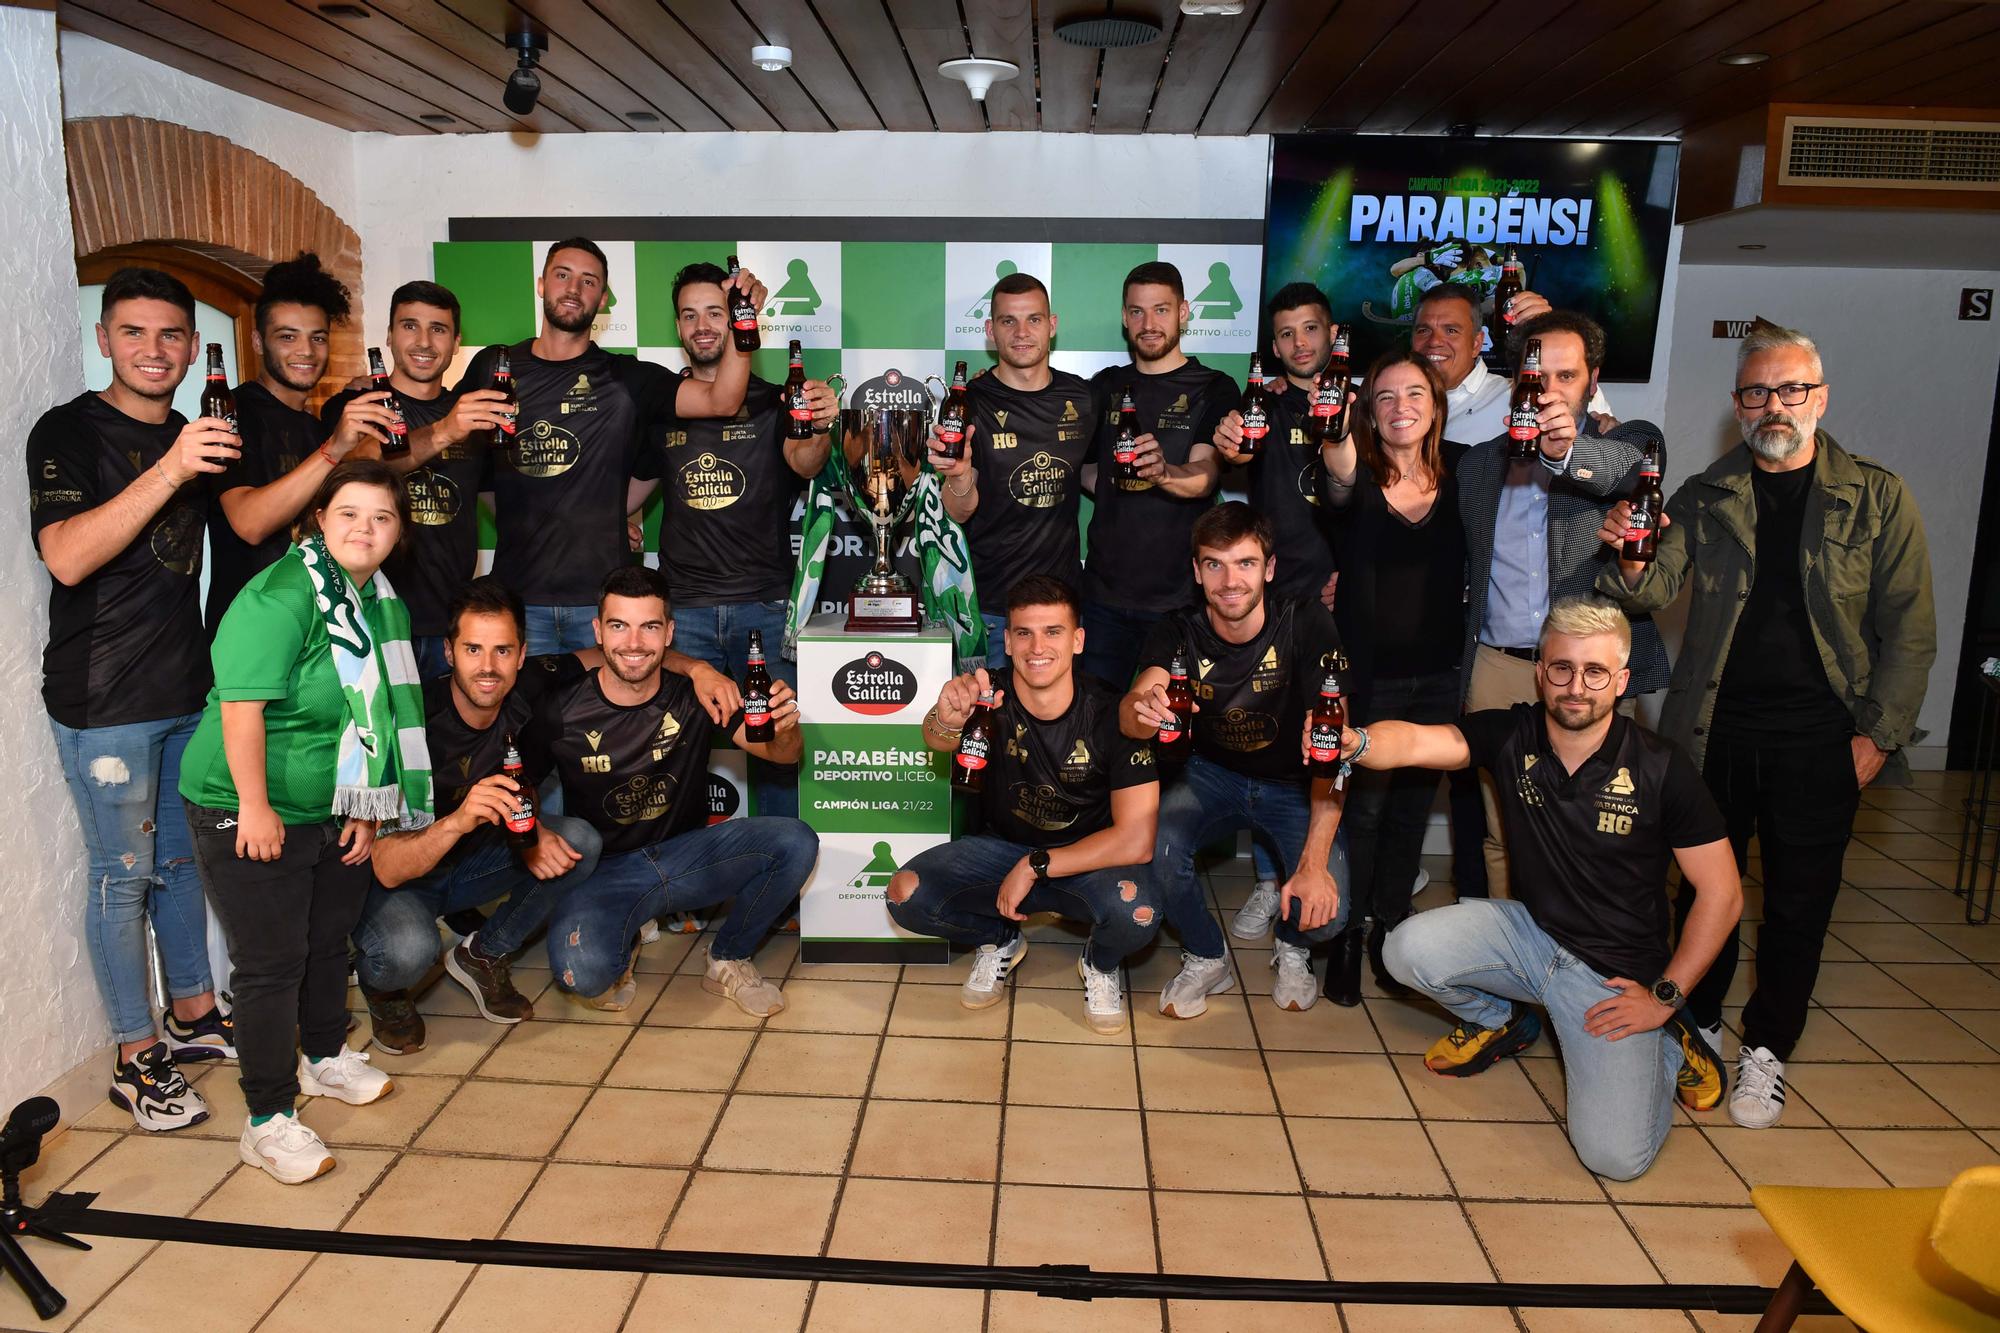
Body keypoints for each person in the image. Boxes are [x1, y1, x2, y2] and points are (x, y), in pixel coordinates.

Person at [1595, 323, 1936, 1130]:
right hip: (1713, 734)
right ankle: (1699, 1025)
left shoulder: (1878, 496)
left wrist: (1878, 736)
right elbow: (1648, 593)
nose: (1773, 405)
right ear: (1738, 404)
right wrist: (1633, 561)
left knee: (1798, 903)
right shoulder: (1703, 497)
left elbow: (1910, 629)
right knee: (1705, 890)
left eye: (1791, 390)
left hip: (1824, 740)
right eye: (1756, 392)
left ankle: (1769, 1050)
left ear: (1821, 398)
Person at [1350, 597, 1739, 1181]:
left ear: (1622, 680)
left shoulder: (1662, 767)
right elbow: (1411, 742)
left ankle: (1670, 1044)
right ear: (1540, 671)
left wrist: (1663, 996)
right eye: (1561, 668)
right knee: (1404, 949)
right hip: (1532, 935)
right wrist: (1353, 742)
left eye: (1594, 672)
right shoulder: (1511, 733)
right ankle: (1502, 1020)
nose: (1575, 686)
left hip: (1613, 977)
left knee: (1615, 1159)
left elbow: (1723, 895)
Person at [180, 460, 432, 1184]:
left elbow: (376, 717)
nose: (365, 528)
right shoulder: (282, 594)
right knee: (269, 966)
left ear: (398, 533)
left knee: (328, 944)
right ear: (317, 519)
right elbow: (241, 708)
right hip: (245, 803)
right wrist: (254, 806)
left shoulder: (380, 601)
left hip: (332, 807)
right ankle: (265, 1121)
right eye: (349, 512)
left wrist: (364, 805)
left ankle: (322, 1058)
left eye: (382, 517)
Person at [30, 267, 239, 1130]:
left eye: (171, 335)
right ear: (105, 339)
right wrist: (172, 469)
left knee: (182, 863)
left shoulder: (194, 428)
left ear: (192, 347)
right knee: (124, 877)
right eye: (135, 333)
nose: (155, 351)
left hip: (183, 686)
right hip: (104, 697)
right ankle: (133, 1054)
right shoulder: (68, 431)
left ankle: (192, 1015)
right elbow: (69, 556)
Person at [445, 239, 765, 654]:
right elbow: (462, 453)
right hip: (518, 600)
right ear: (541, 284)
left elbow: (722, 401)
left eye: (589, 281)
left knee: (608, 719)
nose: (574, 288)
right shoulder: (495, 366)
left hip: (604, 607)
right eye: (563, 275)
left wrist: (743, 319)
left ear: (603, 298)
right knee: (525, 720)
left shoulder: (627, 378)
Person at [538, 566, 818, 1013]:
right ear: (598, 631)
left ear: (669, 632)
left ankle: (728, 956)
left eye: (649, 626)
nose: (633, 643)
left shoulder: (698, 695)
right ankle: (626, 933)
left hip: (685, 858)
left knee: (794, 840)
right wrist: (538, 834)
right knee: (584, 975)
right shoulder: (561, 707)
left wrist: (785, 728)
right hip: (606, 872)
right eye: (618, 626)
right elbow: (518, 792)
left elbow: (783, 756)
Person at [890, 575, 1161, 1034]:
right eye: (1024, 633)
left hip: (1085, 861)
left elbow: (1137, 840)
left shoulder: (1113, 714)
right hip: (1001, 851)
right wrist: (945, 717)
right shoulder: (986, 696)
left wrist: (1036, 865)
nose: (1038, 647)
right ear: (1008, 642)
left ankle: (1099, 963)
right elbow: (936, 739)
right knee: (904, 895)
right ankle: (1000, 940)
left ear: (1078, 640)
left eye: (1053, 632)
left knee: (1140, 913)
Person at [1457, 309, 1668, 897]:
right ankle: (1508, 971)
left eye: (1567, 376)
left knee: (1593, 830)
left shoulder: (1628, 444)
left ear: (1592, 380)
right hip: (1496, 671)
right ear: (1517, 379)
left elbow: (1622, 474)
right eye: (1537, 376)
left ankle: (1583, 970)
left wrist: (1564, 451)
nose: (1549, 391)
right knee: (1503, 834)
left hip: (1584, 673)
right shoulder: (1479, 464)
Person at [626, 260, 839, 819]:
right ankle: (680, 891)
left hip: (763, 607)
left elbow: (807, 462)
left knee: (776, 754)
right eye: (689, 315)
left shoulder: (774, 400)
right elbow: (630, 493)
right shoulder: (660, 405)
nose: (702, 326)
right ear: (677, 328)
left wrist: (818, 429)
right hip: (683, 615)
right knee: (669, 757)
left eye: (715, 313)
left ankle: (777, 886)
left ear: (739, 322)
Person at [1122, 502, 1351, 1017]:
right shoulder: (1176, 629)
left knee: (1329, 913)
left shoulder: (1306, 621)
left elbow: (1334, 754)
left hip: (1296, 782)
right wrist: (1145, 710)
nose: (1230, 580)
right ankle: (1207, 955)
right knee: (1152, 848)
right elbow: (1131, 711)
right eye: (1215, 564)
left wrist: (1314, 866)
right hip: (1211, 775)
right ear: (1197, 572)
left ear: (1269, 569)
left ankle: (1292, 945)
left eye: (1245, 563)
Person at [1317, 350, 1469, 1004]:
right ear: (1368, 412)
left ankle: (1391, 929)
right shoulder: (1356, 473)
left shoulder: (1466, 471)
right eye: (1385, 396)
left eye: (1415, 393)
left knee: (1411, 812)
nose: (1401, 405)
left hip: (1442, 676)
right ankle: (1349, 934)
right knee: (1366, 811)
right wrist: (1333, 428)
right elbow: (1340, 469)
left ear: (1436, 404)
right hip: (1369, 678)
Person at [1209, 282, 1343, 911]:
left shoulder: (1363, 402)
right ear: (1273, 344)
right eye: (1286, 333)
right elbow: (1230, 457)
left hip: (1339, 599)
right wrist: (1226, 441)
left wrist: (1358, 575)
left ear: (1331, 332)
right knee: (1271, 736)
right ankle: (1269, 880)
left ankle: (1322, 864)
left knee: (1330, 734)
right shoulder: (1258, 399)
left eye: (1310, 329)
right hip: (1271, 600)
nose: (1299, 343)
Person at [207, 252, 400, 634]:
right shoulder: (233, 414)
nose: (306, 352)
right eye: (287, 337)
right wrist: (335, 449)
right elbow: (249, 523)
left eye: (318, 338)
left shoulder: (316, 426)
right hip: (252, 632)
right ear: (258, 341)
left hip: (315, 630)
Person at [927, 271, 1097, 667]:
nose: (1022, 332)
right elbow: (957, 511)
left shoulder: (1084, 397)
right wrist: (959, 476)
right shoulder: (968, 405)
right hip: (992, 609)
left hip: (1062, 607)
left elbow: (1092, 473)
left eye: (1034, 319)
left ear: (1052, 326)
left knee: (1057, 725)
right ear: (990, 330)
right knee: (987, 725)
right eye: (1008, 321)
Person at [1077, 261, 1232, 686]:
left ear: (1183, 312)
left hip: (1180, 601)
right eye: (1137, 312)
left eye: (1161, 310)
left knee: (1169, 729)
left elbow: (1205, 475)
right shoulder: (1103, 386)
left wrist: (1162, 473)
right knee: (1096, 729)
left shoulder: (1213, 386)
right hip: (1102, 599)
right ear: (1124, 317)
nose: (1148, 324)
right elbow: (1084, 468)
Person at [320, 280, 483, 679]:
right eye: (410, 326)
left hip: (452, 622)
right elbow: (356, 472)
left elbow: (500, 496)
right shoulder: (355, 406)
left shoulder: (468, 414)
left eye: (438, 329)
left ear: (457, 342)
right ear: (390, 336)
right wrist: (443, 431)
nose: (424, 342)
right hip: (375, 618)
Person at [1411, 281, 1613, 445]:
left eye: (1451, 330)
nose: (1434, 341)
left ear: (1476, 343)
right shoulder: (1388, 399)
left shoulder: (1516, 394)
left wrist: (1548, 330)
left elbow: (1580, 411)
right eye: (1423, 330)